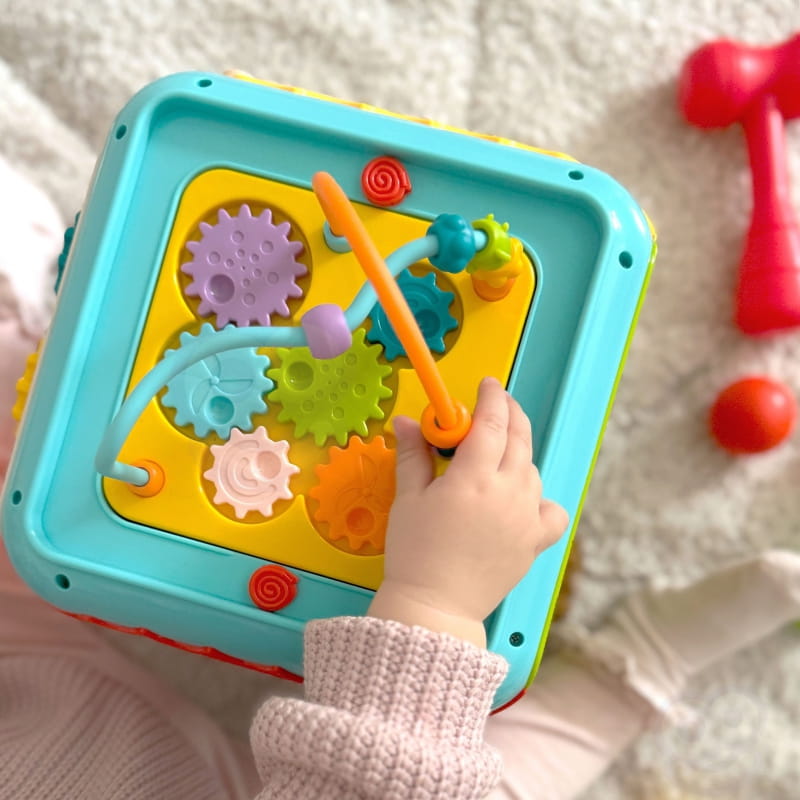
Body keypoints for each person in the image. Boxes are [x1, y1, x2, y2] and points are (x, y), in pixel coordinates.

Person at [1, 160, 799, 799]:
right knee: (492, 778)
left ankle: (33, 330)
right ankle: (632, 668)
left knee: (40, 457)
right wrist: (434, 604)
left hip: (36, 696)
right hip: (356, 771)